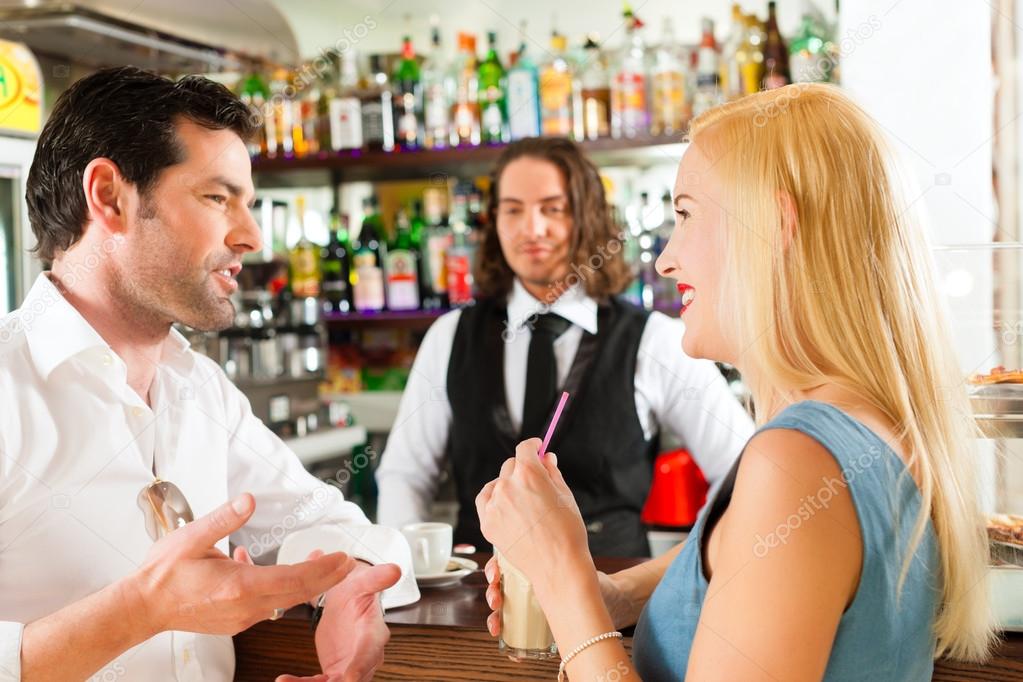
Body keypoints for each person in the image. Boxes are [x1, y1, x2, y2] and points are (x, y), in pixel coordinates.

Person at [478, 83, 996, 680]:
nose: (667, 259)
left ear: (775, 225)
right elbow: (753, 550)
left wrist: (562, 575)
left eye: (687, 214)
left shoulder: (796, 463)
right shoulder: (872, 425)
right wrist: (612, 595)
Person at [0, 67, 417, 682]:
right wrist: (142, 610)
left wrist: (348, 587)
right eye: (217, 199)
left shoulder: (198, 389)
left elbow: (329, 523)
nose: (249, 236)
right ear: (110, 197)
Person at [375, 137, 753, 557]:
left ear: (586, 216)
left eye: (552, 209)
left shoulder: (653, 339)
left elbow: (742, 469)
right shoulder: (450, 336)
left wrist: (690, 565)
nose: (532, 229)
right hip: (479, 606)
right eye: (513, 209)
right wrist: (405, 578)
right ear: (494, 220)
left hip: (612, 601)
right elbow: (405, 475)